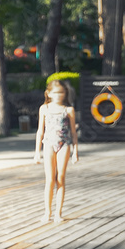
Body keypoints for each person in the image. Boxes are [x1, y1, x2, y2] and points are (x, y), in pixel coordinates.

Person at [34, 79, 79, 222]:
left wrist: (75, 152)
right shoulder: (44, 109)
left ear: (65, 94)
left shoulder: (68, 110)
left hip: (63, 145)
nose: (58, 95)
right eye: (55, 92)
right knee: (49, 180)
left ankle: (58, 213)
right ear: (48, 93)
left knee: (60, 178)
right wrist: (37, 152)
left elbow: (73, 132)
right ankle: (47, 212)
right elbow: (40, 131)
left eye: (61, 92)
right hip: (48, 145)